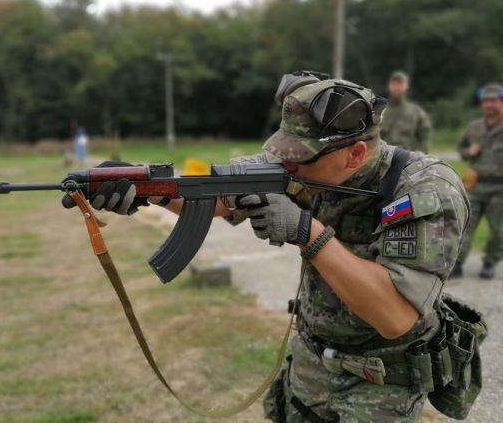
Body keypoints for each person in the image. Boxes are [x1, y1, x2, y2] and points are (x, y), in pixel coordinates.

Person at [79, 72, 470, 422]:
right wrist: (148, 189)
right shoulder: (297, 165)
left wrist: (308, 233)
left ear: (355, 154)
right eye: (284, 151)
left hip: (382, 384)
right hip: (310, 365)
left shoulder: (424, 188)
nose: (286, 165)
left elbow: (396, 315)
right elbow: (215, 196)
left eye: (301, 157)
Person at [452, 83, 503, 280]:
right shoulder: (474, 127)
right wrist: (468, 152)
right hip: (474, 185)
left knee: (498, 231)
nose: (488, 105)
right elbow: (461, 149)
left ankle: (490, 262)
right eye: (485, 101)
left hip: (499, 188)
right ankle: (457, 263)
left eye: (493, 101)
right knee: (465, 226)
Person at [380, 71, 432, 153]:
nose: (397, 87)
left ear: (406, 86)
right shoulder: (381, 110)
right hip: (386, 155)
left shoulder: (415, 111)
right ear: (389, 86)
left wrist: (420, 155)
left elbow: (424, 135)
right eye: (394, 84)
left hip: (408, 156)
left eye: (400, 84)